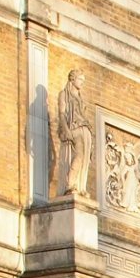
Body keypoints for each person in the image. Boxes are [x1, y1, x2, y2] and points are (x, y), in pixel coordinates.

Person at [54, 69, 92, 197]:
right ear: (73, 79)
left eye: (83, 80)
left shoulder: (80, 97)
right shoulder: (64, 94)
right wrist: (66, 129)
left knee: (85, 158)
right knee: (79, 156)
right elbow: (62, 113)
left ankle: (80, 186)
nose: (82, 82)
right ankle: (69, 184)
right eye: (80, 79)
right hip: (74, 128)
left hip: (84, 128)